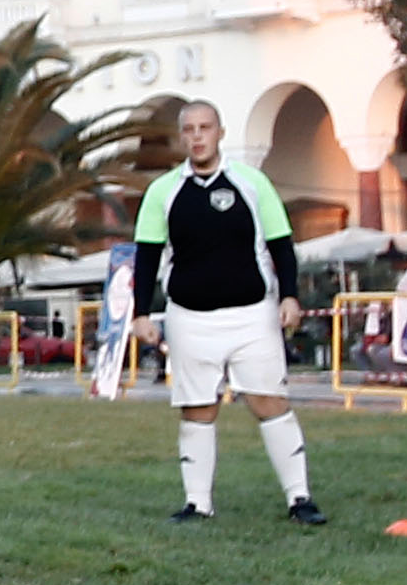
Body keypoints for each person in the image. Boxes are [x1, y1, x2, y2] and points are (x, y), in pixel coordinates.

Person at [102, 100, 320, 527]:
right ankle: (197, 503)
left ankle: (300, 499)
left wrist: (289, 296)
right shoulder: (163, 192)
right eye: (189, 129)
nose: (197, 136)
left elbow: (281, 246)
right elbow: (146, 258)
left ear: (220, 133)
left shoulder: (252, 183)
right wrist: (141, 313)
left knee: (269, 402)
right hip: (189, 318)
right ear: (181, 137)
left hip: (252, 316)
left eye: (205, 127)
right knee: (198, 407)